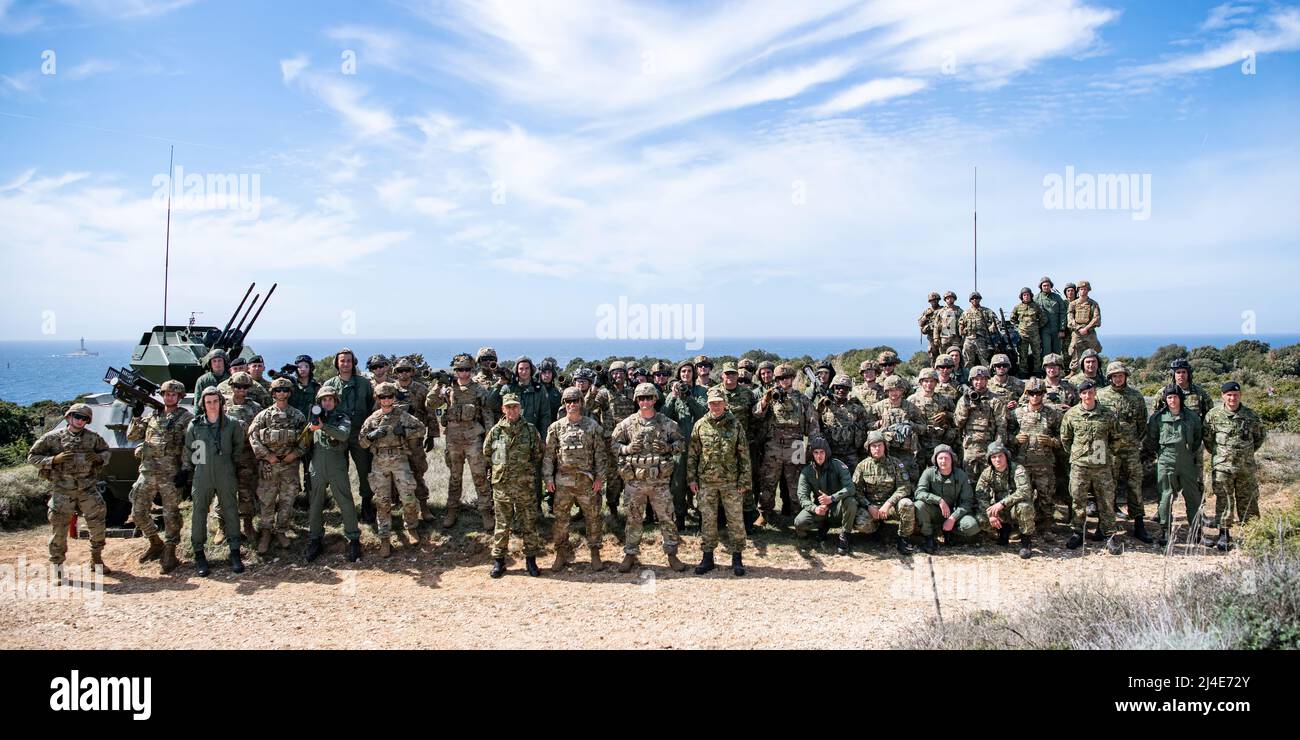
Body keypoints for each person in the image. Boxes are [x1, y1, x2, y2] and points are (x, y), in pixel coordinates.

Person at [610, 383, 688, 573]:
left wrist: (668, 448)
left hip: (659, 482)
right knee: (633, 519)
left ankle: (672, 554)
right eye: (641, 398)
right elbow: (613, 445)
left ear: (655, 399)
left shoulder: (666, 423)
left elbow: (681, 443)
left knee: (667, 518)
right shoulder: (627, 424)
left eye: (648, 398)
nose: (645, 402)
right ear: (636, 400)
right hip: (635, 482)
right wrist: (626, 449)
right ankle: (630, 554)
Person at [28, 402, 112, 578]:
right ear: (69, 417)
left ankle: (96, 559)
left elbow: (106, 452)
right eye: (77, 417)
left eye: (84, 418)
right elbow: (32, 457)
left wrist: (98, 457)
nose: (80, 421)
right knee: (59, 530)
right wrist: (53, 459)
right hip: (62, 490)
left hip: (88, 489)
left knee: (97, 526)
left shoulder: (93, 438)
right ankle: (57, 567)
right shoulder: (52, 438)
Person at [181, 387, 251, 576]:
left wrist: (229, 464)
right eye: (208, 402)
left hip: (226, 472)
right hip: (202, 473)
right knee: (199, 512)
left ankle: (235, 552)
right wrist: (187, 473)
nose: (212, 405)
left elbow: (238, 448)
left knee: (230, 510)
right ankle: (199, 554)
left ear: (221, 402)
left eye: (215, 401)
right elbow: (191, 451)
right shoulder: (195, 425)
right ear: (203, 404)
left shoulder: (232, 424)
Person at [126, 379, 193, 574]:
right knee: (138, 512)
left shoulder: (186, 418)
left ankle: (170, 551)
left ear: (179, 397)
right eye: (166, 393)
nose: (169, 397)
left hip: (170, 474)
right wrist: (137, 415)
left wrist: (186, 469)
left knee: (171, 514)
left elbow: (190, 446)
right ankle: (155, 542)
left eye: (173, 394)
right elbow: (132, 435)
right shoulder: (152, 416)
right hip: (147, 471)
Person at [544, 386, 609, 572]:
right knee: (561, 520)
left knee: (593, 517)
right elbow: (549, 455)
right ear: (563, 404)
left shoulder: (592, 426)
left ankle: (595, 552)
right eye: (568, 401)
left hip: (586, 481)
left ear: (581, 402)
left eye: (575, 401)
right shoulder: (555, 428)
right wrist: (548, 478)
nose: (572, 404)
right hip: (563, 482)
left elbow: (601, 455)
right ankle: (561, 553)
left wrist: (600, 478)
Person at [687, 386, 751, 576]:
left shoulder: (735, 425)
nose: (715, 406)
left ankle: (737, 558)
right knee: (707, 521)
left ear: (725, 404)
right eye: (712, 403)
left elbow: (744, 455)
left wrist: (744, 481)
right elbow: (692, 455)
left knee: (735, 520)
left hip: (731, 482)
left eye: (718, 402)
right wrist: (691, 479)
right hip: (706, 482)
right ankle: (708, 558)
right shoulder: (700, 425)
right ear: (708, 405)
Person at [428, 355, 496, 529]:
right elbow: (430, 403)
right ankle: (452, 511)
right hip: (453, 439)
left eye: (466, 369)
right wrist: (439, 385)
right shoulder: (448, 389)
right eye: (459, 369)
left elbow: (487, 414)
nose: (463, 373)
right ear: (455, 371)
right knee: (455, 477)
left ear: (471, 370)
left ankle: (485, 512)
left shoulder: (479, 390)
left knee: (479, 476)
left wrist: (489, 438)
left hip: (473, 438)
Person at [360, 382, 427, 557]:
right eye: (383, 397)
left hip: (399, 460)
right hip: (379, 462)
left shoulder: (402, 415)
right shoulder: (373, 419)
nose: (386, 400)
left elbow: (421, 429)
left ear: (394, 397)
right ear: (377, 398)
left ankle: (411, 527)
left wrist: (404, 432)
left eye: (389, 396)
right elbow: (362, 442)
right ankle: (384, 537)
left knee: (408, 496)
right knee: (382, 501)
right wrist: (371, 436)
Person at [483, 393, 544, 577]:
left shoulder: (530, 430)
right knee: (501, 525)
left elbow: (537, 454)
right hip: (502, 486)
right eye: (508, 407)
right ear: (503, 409)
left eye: (515, 406)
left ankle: (531, 561)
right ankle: (499, 562)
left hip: (524, 485)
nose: (512, 410)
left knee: (529, 524)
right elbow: (487, 453)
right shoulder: (496, 431)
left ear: (520, 408)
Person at [753, 363, 821, 526]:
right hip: (774, 445)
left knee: (796, 483)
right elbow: (757, 415)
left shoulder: (801, 398)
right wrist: (764, 401)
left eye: (787, 377)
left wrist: (813, 446)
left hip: (796, 445)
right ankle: (764, 513)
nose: (784, 381)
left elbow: (813, 423)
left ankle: (799, 515)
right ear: (776, 380)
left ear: (792, 378)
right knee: (768, 481)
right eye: (780, 378)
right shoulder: (770, 396)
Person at [1202, 381, 1267, 551]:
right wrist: (1221, 456)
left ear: (1240, 395)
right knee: (1224, 500)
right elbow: (1208, 440)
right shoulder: (1213, 415)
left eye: (1235, 395)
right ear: (1223, 396)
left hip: (1245, 467)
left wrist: (1245, 455)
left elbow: (1259, 437)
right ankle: (1224, 533)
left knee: (1249, 501)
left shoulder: (1251, 416)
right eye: (1229, 395)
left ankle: (1253, 533)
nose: (1232, 398)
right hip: (1223, 467)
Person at [247, 377, 308, 555]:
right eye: (278, 390)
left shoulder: (297, 415)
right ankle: (266, 532)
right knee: (267, 499)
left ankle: (281, 530)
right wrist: (268, 456)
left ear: (289, 393)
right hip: (269, 465)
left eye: (285, 390)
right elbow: (253, 437)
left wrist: (294, 454)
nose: (281, 393)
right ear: (273, 393)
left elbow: (306, 438)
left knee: (287, 499)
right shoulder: (264, 415)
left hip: (289, 465)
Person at [1061, 379, 1122, 554]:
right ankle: (1078, 532)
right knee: (1078, 499)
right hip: (1080, 465)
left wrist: (1106, 455)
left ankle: (1108, 534)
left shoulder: (1107, 414)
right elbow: (1066, 439)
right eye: (1084, 393)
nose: (1088, 396)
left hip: (1101, 465)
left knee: (1106, 501)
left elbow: (1116, 438)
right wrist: (1077, 454)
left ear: (1095, 393)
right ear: (1080, 395)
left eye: (1091, 392)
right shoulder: (1071, 415)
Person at [1096, 362, 1153, 543]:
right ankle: (1103, 525)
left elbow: (1142, 424)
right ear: (1109, 377)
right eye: (1114, 376)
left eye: (1121, 375)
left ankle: (1138, 524)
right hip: (1109, 450)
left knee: (1134, 487)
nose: (1118, 379)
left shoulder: (1136, 396)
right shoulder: (1101, 395)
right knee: (1106, 488)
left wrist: (1133, 441)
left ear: (1125, 376)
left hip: (1130, 450)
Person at [304, 385, 362, 562]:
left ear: (335, 401)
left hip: (337, 465)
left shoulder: (341, 417)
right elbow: (304, 443)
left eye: (330, 399)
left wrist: (323, 427)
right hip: (317, 466)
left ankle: (353, 539)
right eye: (324, 400)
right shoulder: (313, 419)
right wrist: (309, 430)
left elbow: (343, 435)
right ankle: (315, 539)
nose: (327, 402)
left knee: (345, 501)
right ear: (319, 402)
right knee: (315, 504)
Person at [1144, 384, 1203, 548]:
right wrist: (1163, 453)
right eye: (1169, 397)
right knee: (1165, 495)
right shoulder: (1158, 418)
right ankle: (1165, 530)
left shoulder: (1191, 417)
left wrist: (1187, 452)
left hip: (1186, 460)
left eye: (1175, 397)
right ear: (1165, 399)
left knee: (1193, 496)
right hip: (1165, 459)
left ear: (1180, 398)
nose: (1172, 400)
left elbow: (1197, 438)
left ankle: (1196, 530)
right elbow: (1152, 439)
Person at [322, 348, 376, 522]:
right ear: (337, 363)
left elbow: (371, 408)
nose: (345, 364)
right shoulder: (329, 384)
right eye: (342, 361)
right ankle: (346, 507)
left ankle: (367, 503)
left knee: (364, 471)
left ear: (353, 363)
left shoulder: (363, 383)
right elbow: (323, 409)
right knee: (339, 472)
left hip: (359, 434)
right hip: (337, 435)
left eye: (349, 361)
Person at [661, 361, 709, 530]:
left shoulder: (701, 391)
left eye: (689, 371)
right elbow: (663, 416)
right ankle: (679, 517)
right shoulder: (673, 393)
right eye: (683, 372)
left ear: (693, 374)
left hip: (700, 444)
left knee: (702, 482)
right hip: (680, 446)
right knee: (678, 484)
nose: (686, 374)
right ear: (679, 374)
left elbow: (704, 412)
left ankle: (703, 517)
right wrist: (674, 397)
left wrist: (689, 398)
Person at [851, 430, 916, 554]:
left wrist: (888, 504)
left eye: (880, 445)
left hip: (891, 507)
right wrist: (868, 506)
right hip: (872, 508)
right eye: (873, 446)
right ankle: (877, 529)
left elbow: (904, 487)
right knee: (860, 522)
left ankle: (904, 538)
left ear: (885, 446)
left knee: (907, 504)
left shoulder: (896, 464)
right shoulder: (862, 466)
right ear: (869, 448)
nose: (877, 449)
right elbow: (856, 490)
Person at [1011, 377, 1063, 532]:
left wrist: (1052, 441)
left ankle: (1047, 526)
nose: (1035, 396)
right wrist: (1014, 439)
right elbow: (1003, 435)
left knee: (1046, 496)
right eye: (1032, 393)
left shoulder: (1052, 414)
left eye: (1039, 393)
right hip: (1022, 463)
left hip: (1044, 463)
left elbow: (1064, 438)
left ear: (1043, 394)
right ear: (1027, 394)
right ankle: (1021, 527)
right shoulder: (1017, 414)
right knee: (1021, 495)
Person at [792, 437, 857, 555]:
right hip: (820, 509)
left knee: (851, 501)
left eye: (822, 452)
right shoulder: (806, 471)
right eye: (816, 453)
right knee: (799, 522)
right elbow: (802, 496)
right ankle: (822, 526)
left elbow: (850, 488)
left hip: (838, 507)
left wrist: (832, 498)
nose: (819, 456)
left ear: (827, 452)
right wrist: (814, 508)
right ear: (812, 454)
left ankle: (845, 536)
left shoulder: (838, 465)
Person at [218, 372, 260, 544]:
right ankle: (222, 527)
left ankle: (248, 524)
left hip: (247, 454)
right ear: (231, 386)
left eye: (245, 387)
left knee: (246, 491)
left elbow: (259, 430)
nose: (241, 390)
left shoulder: (255, 407)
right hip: (226, 455)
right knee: (223, 490)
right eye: (237, 386)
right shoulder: (222, 405)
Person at [393, 356, 436, 523]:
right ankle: (400, 507)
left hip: (415, 439)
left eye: (407, 370)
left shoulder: (421, 389)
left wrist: (432, 435)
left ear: (412, 371)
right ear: (395, 372)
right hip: (395, 440)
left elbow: (430, 413)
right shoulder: (389, 390)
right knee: (396, 474)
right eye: (400, 370)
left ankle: (424, 507)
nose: (403, 374)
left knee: (417, 472)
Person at [975, 441, 1036, 558]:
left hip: (1014, 508)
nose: (997, 460)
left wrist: (1003, 503)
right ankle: (1003, 531)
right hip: (999, 511)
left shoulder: (1018, 469)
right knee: (980, 519)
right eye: (994, 457)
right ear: (990, 460)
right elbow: (980, 495)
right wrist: (990, 514)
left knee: (1024, 507)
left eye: (1000, 456)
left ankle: (1026, 541)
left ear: (1006, 456)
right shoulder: (987, 473)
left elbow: (1024, 491)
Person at [912, 445, 978, 553]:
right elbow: (919, 493)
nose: (943, 461)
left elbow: (967, 501)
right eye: (940, 458)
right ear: (935, 460)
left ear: (952, 459)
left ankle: (950, 533)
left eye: (947, 458)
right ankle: (929, 537)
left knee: (972, 526)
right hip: (935, 511)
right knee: (919, 505)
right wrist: (939, 500)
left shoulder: (961, 475)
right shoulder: (928, 473)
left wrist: (953, 518)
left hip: (955, 512)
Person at [953, 366, 1006, 485]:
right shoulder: (964, 400)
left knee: (991, 480)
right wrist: (967, 405)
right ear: (971, 381)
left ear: (987, 380)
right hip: (970, 446)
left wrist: (998, 446)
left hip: (989, 445)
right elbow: (958, 423)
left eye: (982, 379)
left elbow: (1001, 425)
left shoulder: (995, 400)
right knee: (969, 480)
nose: (979, 382)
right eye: (976, 379)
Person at [816, 374, 873, 471]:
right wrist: (819, 410)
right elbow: (814, 425)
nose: (841, 390)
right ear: (833, 388)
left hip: (850, 454)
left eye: (845, 388)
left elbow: (865, 429)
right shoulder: (824, 406)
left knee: (852, 483)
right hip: (830, 452)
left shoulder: (857, 409)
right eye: (838, 387)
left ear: (849, 390)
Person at [909, 368, 956, 468]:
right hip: (918, 443)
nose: (929, 384)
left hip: (938, 443)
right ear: (921, 382)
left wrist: (946, 414)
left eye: (932, 381)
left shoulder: (944, 399)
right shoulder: (912, 400)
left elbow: (957, 416)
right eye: (926, 381)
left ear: (936, 382)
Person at [287, 354, 319, 494]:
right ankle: (294, 495)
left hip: (310, 431)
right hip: (292, 430)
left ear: (311, 368)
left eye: (306, 366)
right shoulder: (290, 386)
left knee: (310, 464)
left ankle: (310, 494)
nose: (303, 369)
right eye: (299, 366)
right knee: (291, 465)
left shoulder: (316, 386)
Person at [1066, 280, 1102, 372]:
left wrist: (1086, 328)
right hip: (1077, 332)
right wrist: (1078, 328)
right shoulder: (1073, 304)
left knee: (1093, 351)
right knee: (1075, 351)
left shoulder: (1093, 303)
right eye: (1081, 289)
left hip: (1089, 332)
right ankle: (1074, 372)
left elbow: (1096, 318)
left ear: (1088, 290)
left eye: (1085, 289)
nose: (1083, 291)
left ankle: (1095, 371)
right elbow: (1070, 318)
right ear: (1078, 290)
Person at [958, 291, 998, 368]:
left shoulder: (986, 311)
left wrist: (991, 328)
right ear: (970, 300)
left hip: (981, 339)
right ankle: (968, 377)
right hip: (969, 339)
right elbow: (960, 324)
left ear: (980, 299)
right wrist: (962, 330)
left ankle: (987, 376)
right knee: (968, 361)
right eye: (972, 298)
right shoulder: (965, 313)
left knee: (984, 359)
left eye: (977, 298)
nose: (975, 300)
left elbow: (996, 321)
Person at [1010, 287, 1044, 375]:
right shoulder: (1017, 307)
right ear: (1021, 297)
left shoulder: (1036, 306)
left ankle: (1037, 371)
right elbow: (1012, 319)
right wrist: (1019, 327)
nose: (1026, 296)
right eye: (1024, 295)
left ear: (1031, 296)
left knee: (1037, 353)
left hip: (1034, 334)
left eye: (1028, 295)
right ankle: (1023, 371)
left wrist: (1037, 327)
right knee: (1023, 354)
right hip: (1022, 334)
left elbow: (1043, 319)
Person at [1034, 277, 1069, 360]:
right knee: (1046, 351)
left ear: (1051, 286)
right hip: (1044, 330)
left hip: (1056, 329)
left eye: (1048, 285)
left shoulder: (1057, 297)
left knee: (1057, 351)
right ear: (1041, 287)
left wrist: (1062, 329)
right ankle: (1046, 371)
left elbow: (1063, 313)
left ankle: (1058, 371)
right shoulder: (1036, 298)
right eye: (1044, 285)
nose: (1046, 287)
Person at [931, 290, 963, 360]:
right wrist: (936, 338)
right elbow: (936, 326)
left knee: (956, 356)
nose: (949, 299)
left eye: (951, 298)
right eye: (947, 298)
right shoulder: (941, 311)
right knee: (943, 357)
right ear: (945, 300)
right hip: (944, 338)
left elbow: (963, 323)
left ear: (954, 299)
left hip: (956, 338)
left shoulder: (959, 311)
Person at [919, 292, 942, 363]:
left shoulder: (943, 310)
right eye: (931, 300)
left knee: (942, 356)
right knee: (933, 357)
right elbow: (920, 323)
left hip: (942, 337)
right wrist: (926, 316)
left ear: (938, 300)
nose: (933, 302)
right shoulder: (927, 311)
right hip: (931, 338)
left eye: (935, 300)